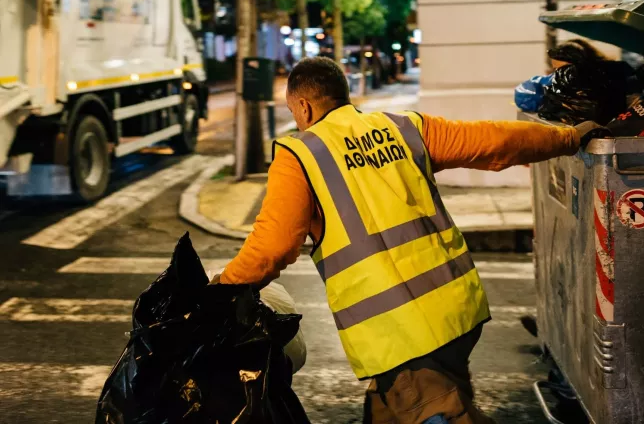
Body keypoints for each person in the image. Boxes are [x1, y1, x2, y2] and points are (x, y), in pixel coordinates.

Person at [217, 57, 604, 424]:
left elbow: (273, 246)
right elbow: (494, 140)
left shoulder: (300, 154)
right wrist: (568, 137)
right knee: (388, 406)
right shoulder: (404, 128)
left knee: (431, 408)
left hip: (400, 331)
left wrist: (221, 289)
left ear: (302, 106)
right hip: (456, 309)